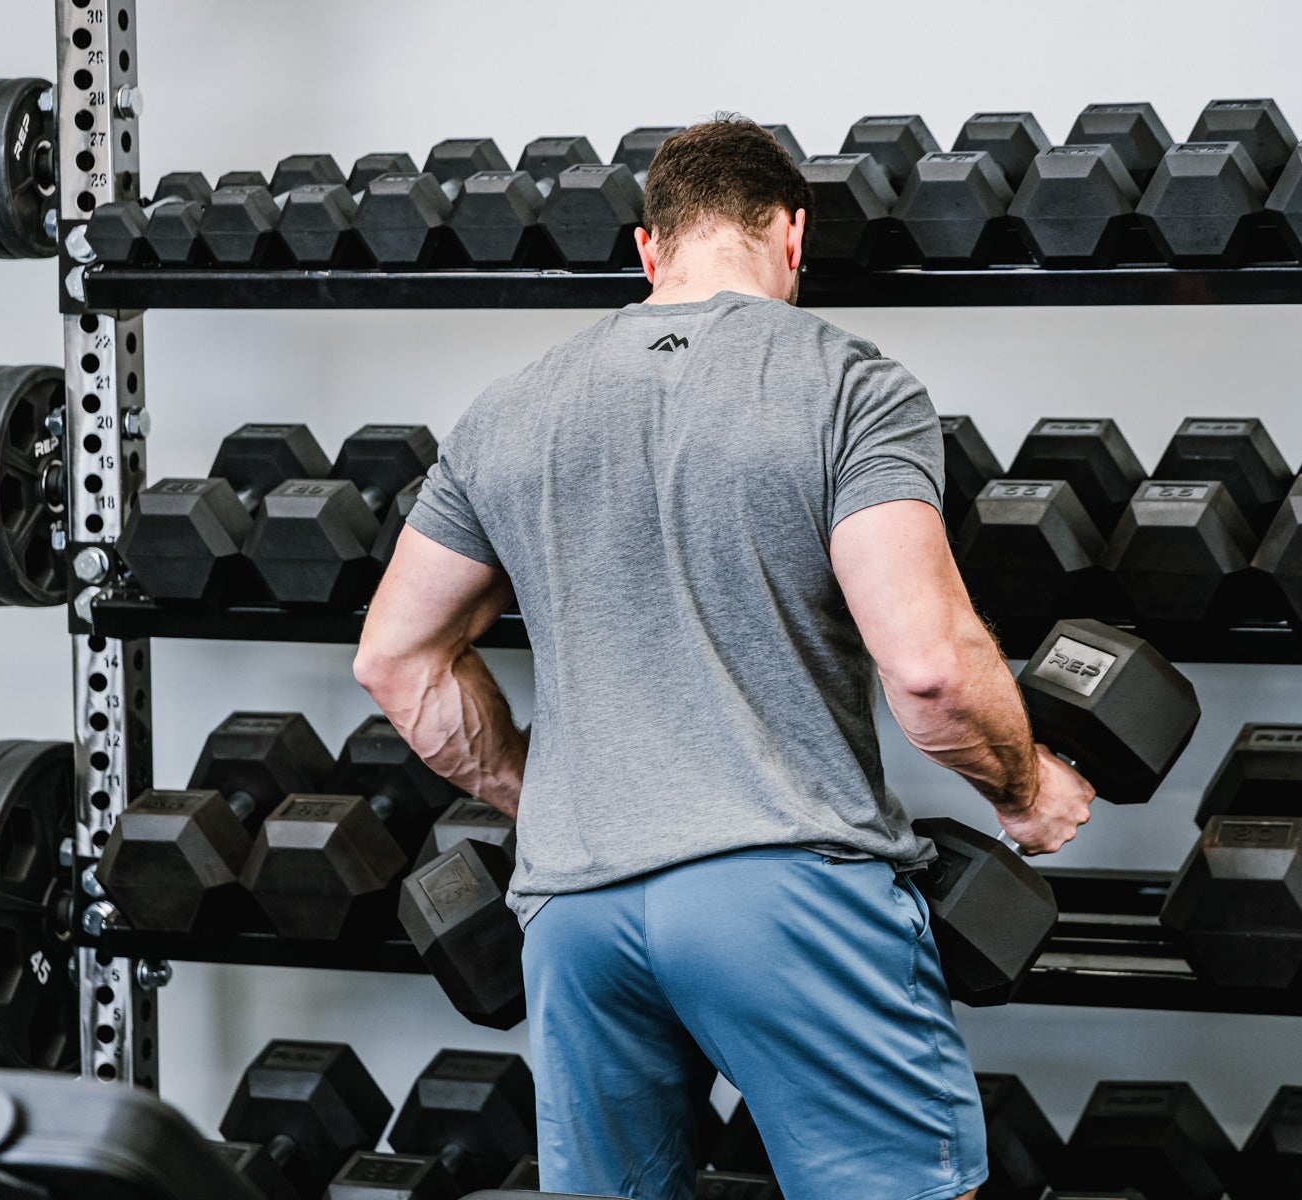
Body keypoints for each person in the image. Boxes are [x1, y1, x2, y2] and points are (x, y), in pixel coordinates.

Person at [353, 116, 1094, 1200]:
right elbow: (930, 671)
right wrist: (1026, 788)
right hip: (782, 888)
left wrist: (550, 792)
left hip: (574, 911)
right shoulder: (849, 384)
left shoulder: (506, 414)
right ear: (792, 236)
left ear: (649, 251)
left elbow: (396, 663)